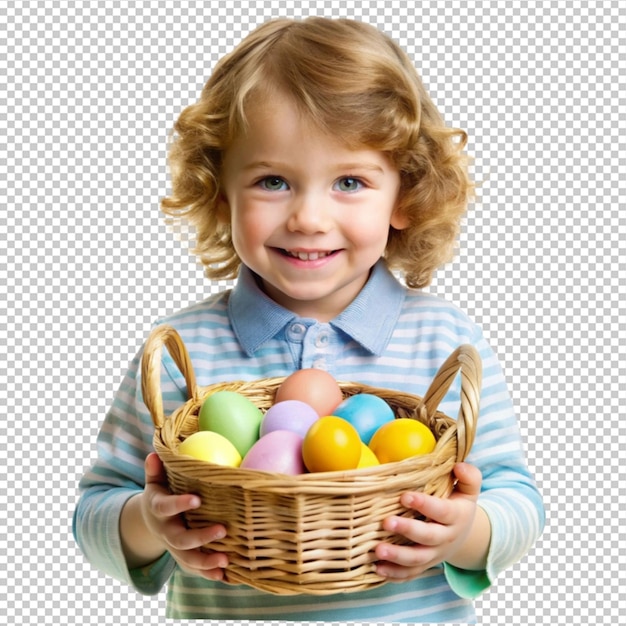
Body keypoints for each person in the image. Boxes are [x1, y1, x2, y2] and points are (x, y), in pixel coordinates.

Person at [73, 17, 545, 623]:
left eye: (350, 181)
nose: (309, 218)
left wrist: (466, 534)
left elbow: (517, 499)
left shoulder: (445, 343)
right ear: (222, 195)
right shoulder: (182, 351)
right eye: (273, 181)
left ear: (404, 196)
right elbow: (96, 510)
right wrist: (148, 523)